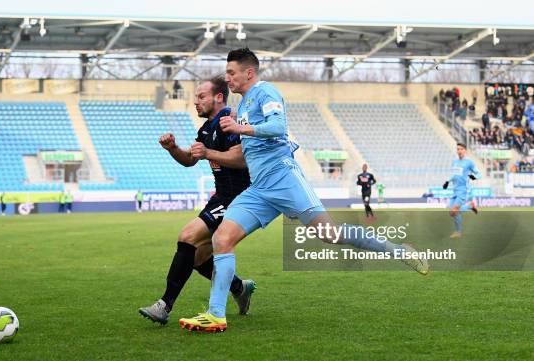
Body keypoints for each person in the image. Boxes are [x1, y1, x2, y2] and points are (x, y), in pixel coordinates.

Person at [179, 48, 429, 333]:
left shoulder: (265, 92)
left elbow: (278, 126)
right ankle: (215, 315)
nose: (228, 78)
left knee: (330, 236)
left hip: (285, 179)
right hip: (259, 188)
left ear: (249, 73)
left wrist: (241, 128)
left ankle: (397, 250)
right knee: (222, 238)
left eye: (232, 73)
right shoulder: (245, 103)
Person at [138, 76, 256, 326]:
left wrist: (209, 153)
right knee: (198, 256)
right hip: (221, 197)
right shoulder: (206, 129)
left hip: (239, 197)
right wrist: (173, 148)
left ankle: (164, 306)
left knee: (188, 236)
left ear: (219, 97)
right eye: (195, 97)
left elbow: (242, 158)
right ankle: (239, 288)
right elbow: (190, 160)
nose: (195, 102)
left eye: (201, 96)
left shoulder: (229, 121)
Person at [442, 143, 480, 239]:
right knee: (452, 212)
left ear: (465, 150)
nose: (459, 151)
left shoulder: (469, 162)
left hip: (463, 190)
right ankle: (470, 205)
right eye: (458, 149)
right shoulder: (455, 162)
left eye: (461, 149)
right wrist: (447, 181)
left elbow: (478, 174)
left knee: (454, 210)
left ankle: (458, 232)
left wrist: (473, 177)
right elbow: (454, 174)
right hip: (455, 190)